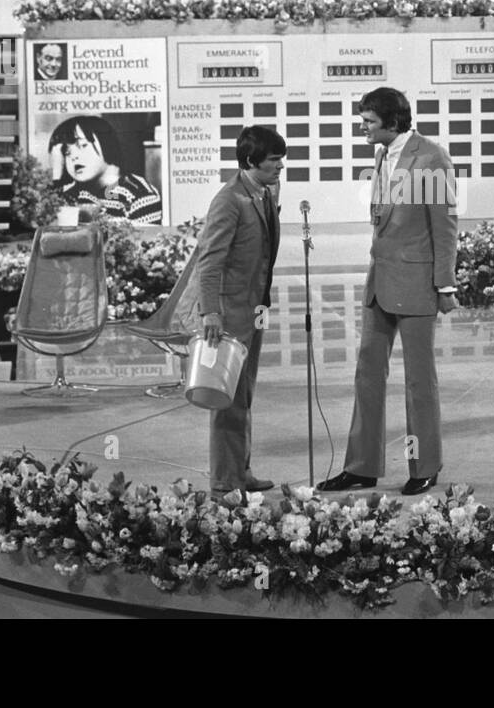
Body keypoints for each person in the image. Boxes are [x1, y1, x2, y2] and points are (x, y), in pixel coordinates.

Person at [318, 87, 458, 497]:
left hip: (416, 284)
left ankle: (425, 466)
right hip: (379, 281)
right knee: (367, 375)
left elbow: (445, 226)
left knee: (418, 381)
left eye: (369, 122)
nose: (362, 128)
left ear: (393, 122)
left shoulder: (432, 157)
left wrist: (445, 284)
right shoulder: (381, 155)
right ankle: (361, 467)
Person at [194, 125, 284, 496]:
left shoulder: (264, 193)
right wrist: (210, 312)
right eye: (273, 161)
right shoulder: (229, 199)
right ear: (250, 162)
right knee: (226, 400)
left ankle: (240, 471)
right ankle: (224, 481)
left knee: (243, 396)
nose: (280, 168)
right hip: (229, 313)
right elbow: (210, 260)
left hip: (255, 309)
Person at [48, 115, 163, 224]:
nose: (74, 157)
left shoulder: (139, 195)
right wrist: (57, 173)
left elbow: (144, 241)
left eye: (83, 145)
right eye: (66, 153)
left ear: (107, 143)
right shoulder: (70, 194)